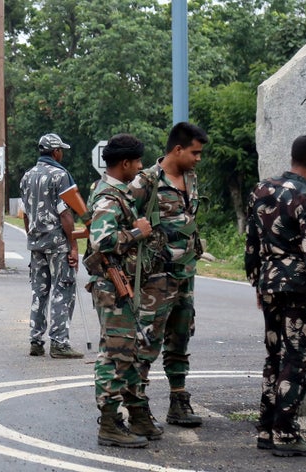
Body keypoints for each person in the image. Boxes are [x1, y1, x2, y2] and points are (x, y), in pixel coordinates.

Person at [245, 134, 306, 457]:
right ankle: (286, 432)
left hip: (268, 283)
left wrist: (257, 282)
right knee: (296, 359)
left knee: (274, 356)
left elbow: (251, 243)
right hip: (298, 287)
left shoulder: (261, 190)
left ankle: (266, 428)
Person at [128, 122, 208, 428]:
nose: (198, 158)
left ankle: (179, 401)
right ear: (177, 149)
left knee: (180, 337)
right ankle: (138, 406)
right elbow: (126, 221)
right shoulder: (145, 181)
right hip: (155, 279)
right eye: (195, 152)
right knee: (147, 342)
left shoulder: (191, 178)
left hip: (186, 274)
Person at [85, 133, 160, 448]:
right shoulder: (108, 197)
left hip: (124, 286)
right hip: (112, 286)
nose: (140, 166)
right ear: (125, 164)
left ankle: (135, 413)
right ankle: (110, 423)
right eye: (138, 162)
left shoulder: (120, 193)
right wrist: (136, 232)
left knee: (127, 350)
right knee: (115, 353)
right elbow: (101, 241)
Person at [19, 133, 84, 359]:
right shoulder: (61, 175)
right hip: (57, 243)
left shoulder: (27, 176)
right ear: (55, 152)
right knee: (62, 289)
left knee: (40, 292)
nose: (62, 154)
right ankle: (59, 342)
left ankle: (36, 341)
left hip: (36, 242)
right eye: (61, 150)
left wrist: (32, 235)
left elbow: (25, 213)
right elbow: (65, 213)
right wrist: (73, 245)